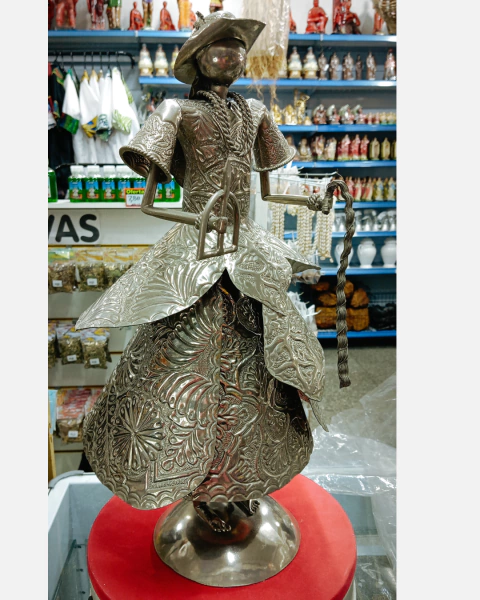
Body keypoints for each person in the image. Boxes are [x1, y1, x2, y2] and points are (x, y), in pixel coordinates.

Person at [77, 11, 344, 532]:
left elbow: (267, 189)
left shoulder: (255, 113)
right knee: (184, 367)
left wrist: (312, 198)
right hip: (196, 257)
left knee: (256, 373)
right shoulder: (175, 110)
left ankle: (239, 479)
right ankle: (193, 483)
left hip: (244, 254)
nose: (233, 56)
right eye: (221, 47)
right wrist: (197, 218)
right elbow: (149, 202)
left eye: (238, 48)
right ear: (198, 57)